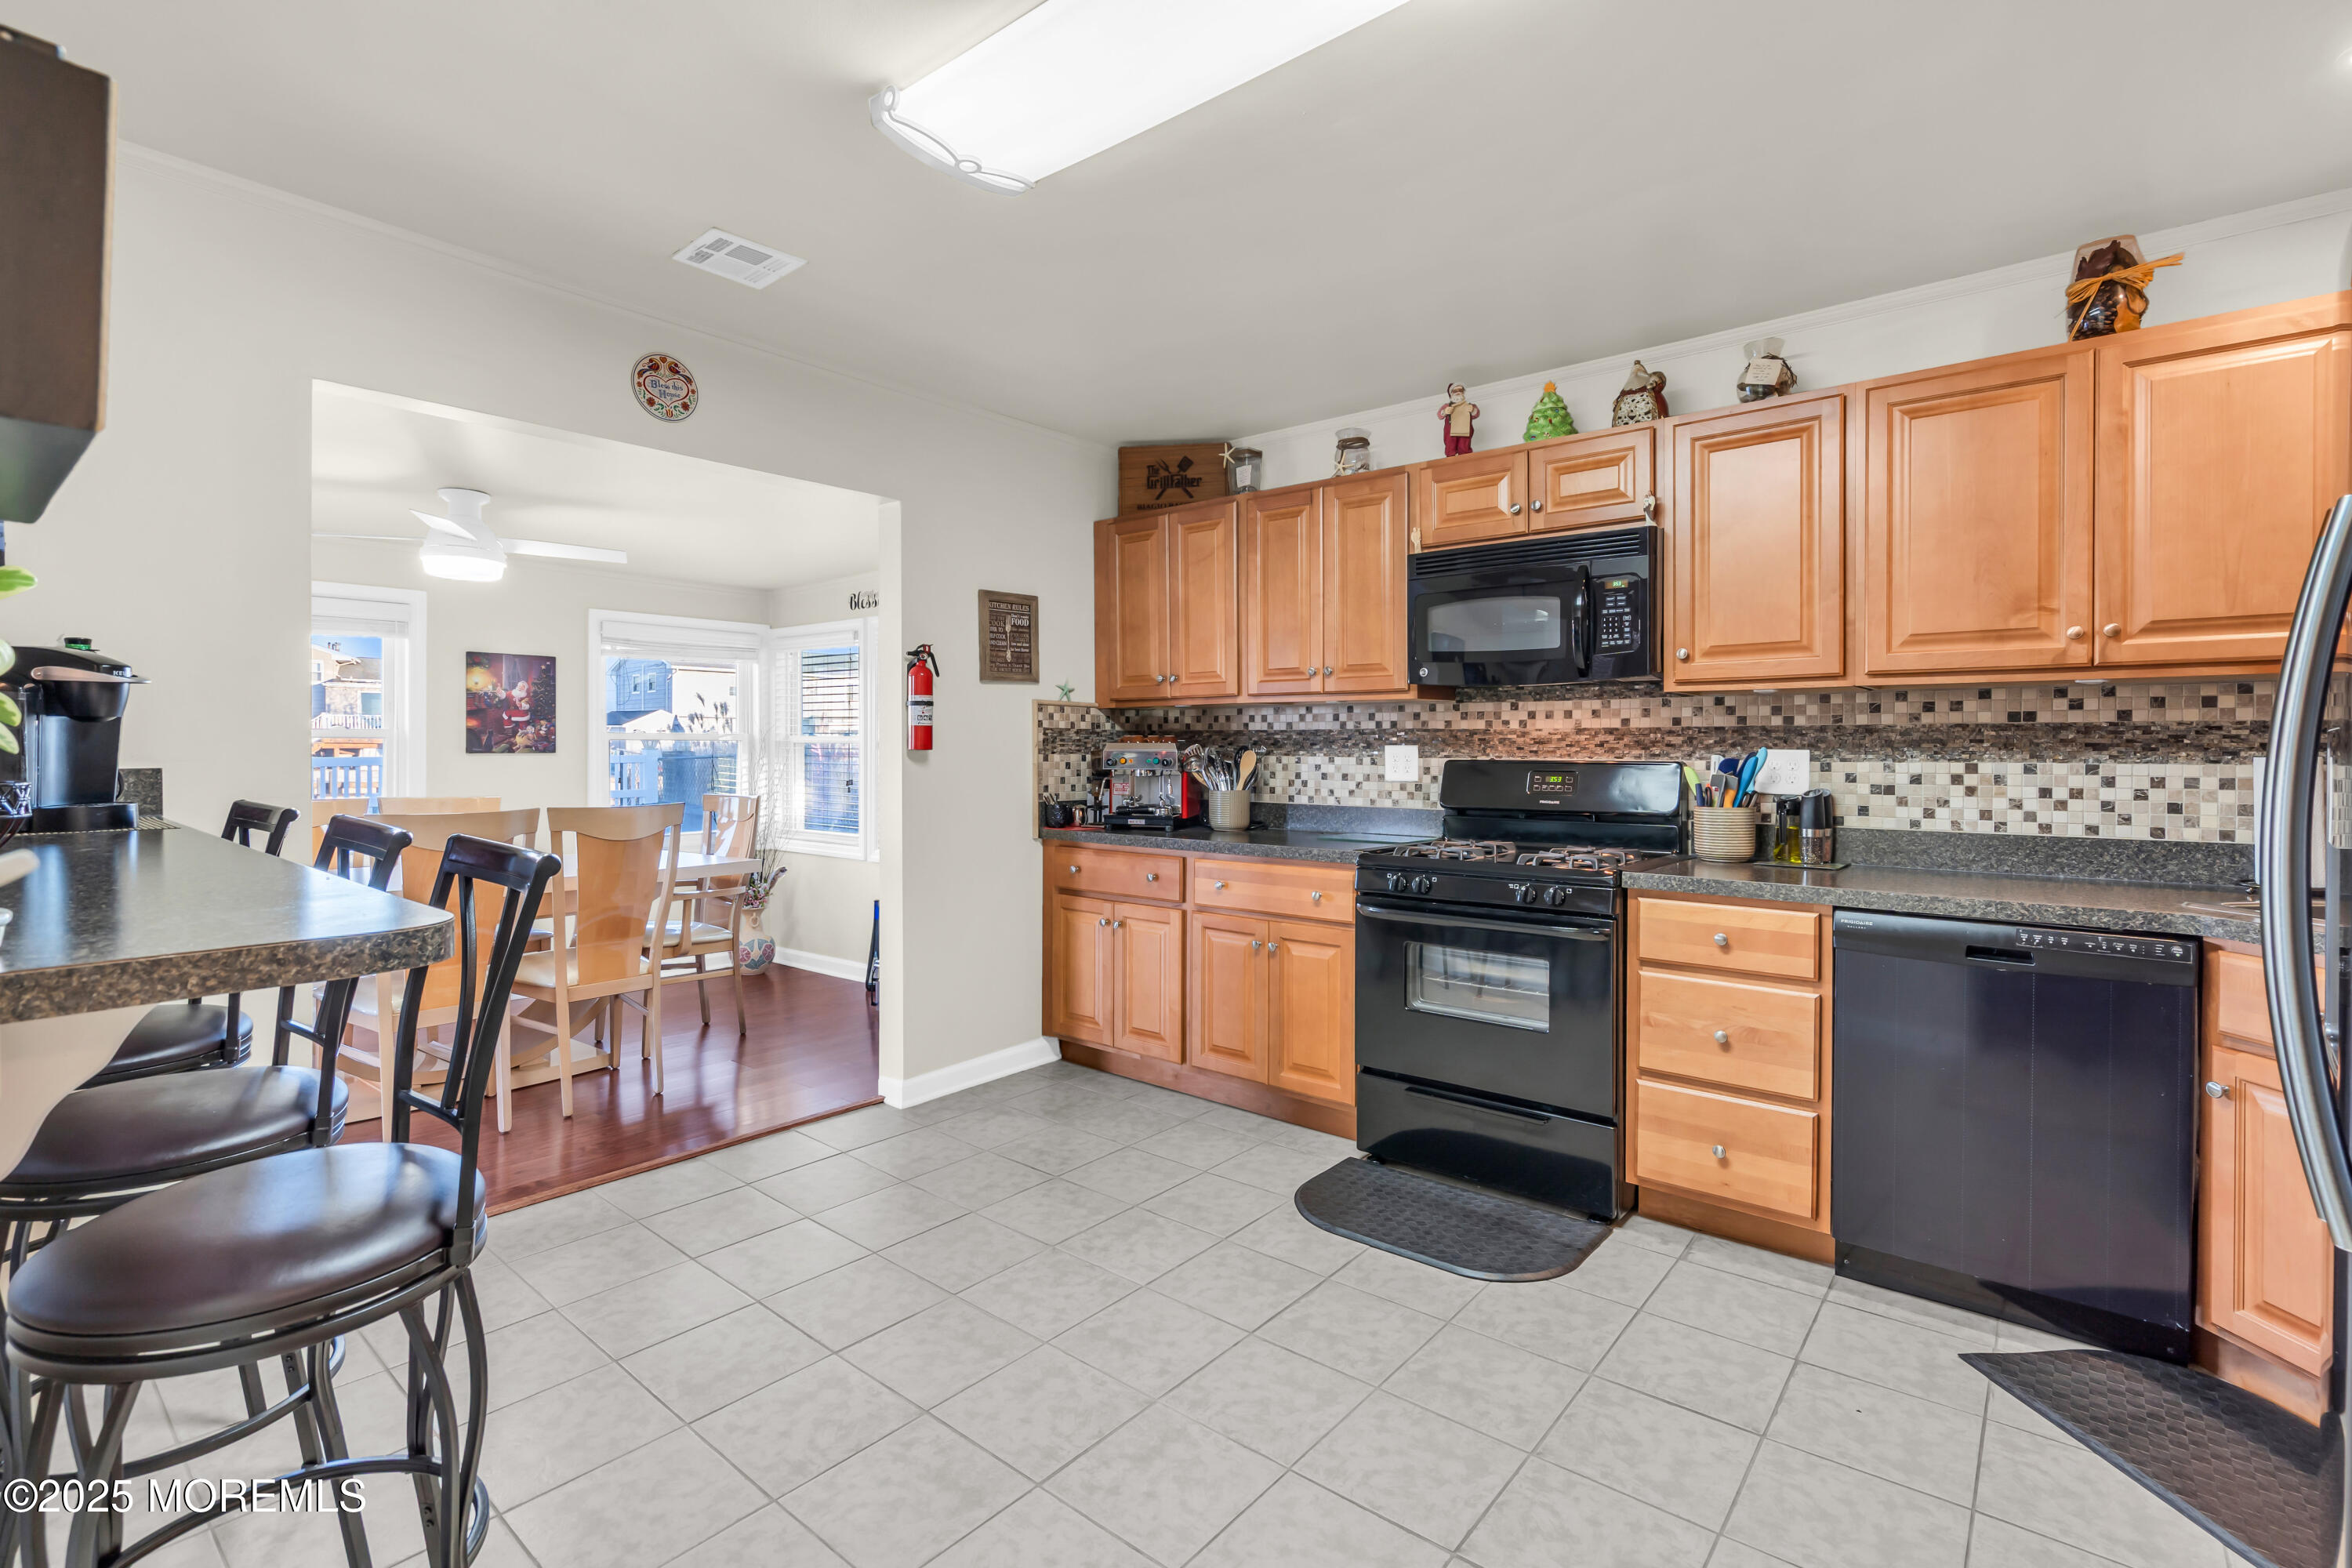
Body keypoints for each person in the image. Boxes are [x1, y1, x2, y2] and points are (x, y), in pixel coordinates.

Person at [1438, 383, 1479, 456]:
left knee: (1464, 444)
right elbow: (1440, 415)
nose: (1458, 392)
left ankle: (1465, 455)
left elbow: (1476, 414)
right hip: (1451, 431)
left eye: (1460, 390)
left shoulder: (1469, 405)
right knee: (1450, 444)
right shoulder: (1447, 406)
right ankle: (1451, 456)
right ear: (1451, 394)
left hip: (1465, 429)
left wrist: (1473, 410)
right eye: (1455, 391)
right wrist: (1445, 411)